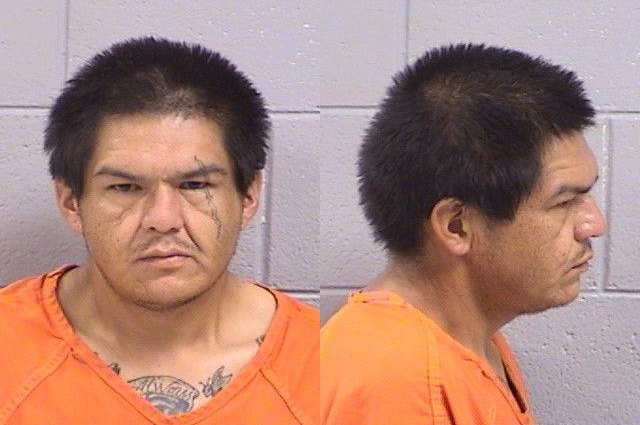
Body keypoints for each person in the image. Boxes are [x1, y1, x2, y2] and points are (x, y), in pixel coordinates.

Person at [0, 37, 318, 424]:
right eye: (125, 187)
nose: (163, 219)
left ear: (248, 196)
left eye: (195, 185)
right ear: (71, 202)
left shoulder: (320, 362)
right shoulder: (8, 349)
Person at [321, 43, 606, 424]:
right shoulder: (396, 381)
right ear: (456, 225)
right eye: (564, 202)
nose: (594, 224)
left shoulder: (470, 339)